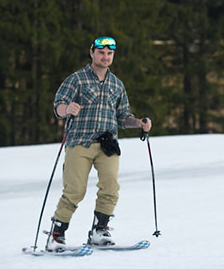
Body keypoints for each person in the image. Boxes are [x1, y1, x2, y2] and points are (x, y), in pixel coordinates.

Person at [47, 36, 152, 251]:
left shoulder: (117, 84)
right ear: (92, 53)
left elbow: (123, 116)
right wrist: (67, 110)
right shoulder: (76, 79)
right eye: (101, 52)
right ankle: (56, 235)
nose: (105, 57)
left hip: (108, 144)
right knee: (75, 190)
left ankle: (99, 231)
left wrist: (139, 123)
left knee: (111, 187)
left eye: (109, 53)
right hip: (80, 142)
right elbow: (58, 106)